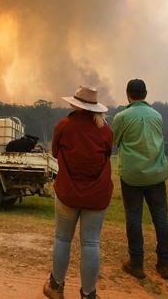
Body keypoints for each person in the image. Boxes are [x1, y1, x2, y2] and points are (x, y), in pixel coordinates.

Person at [43, 85, 114, 299]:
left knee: (63, 239)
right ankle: (88, 294)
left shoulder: (65, 125)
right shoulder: (105, 131)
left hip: (67, 192)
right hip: (97, 195)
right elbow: (107, 155)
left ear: (75, 104)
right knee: (91, 243)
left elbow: (55, 152)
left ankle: (56, 287)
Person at [111, 79, 168, 280]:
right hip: (156, 173)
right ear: (145, 94)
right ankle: (165, 264)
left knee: (134, 218)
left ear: (128, 94)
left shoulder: (121, 117)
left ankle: (136, 264)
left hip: (132, 175)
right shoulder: (157, 115)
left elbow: (115, 141)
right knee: (161, 218)